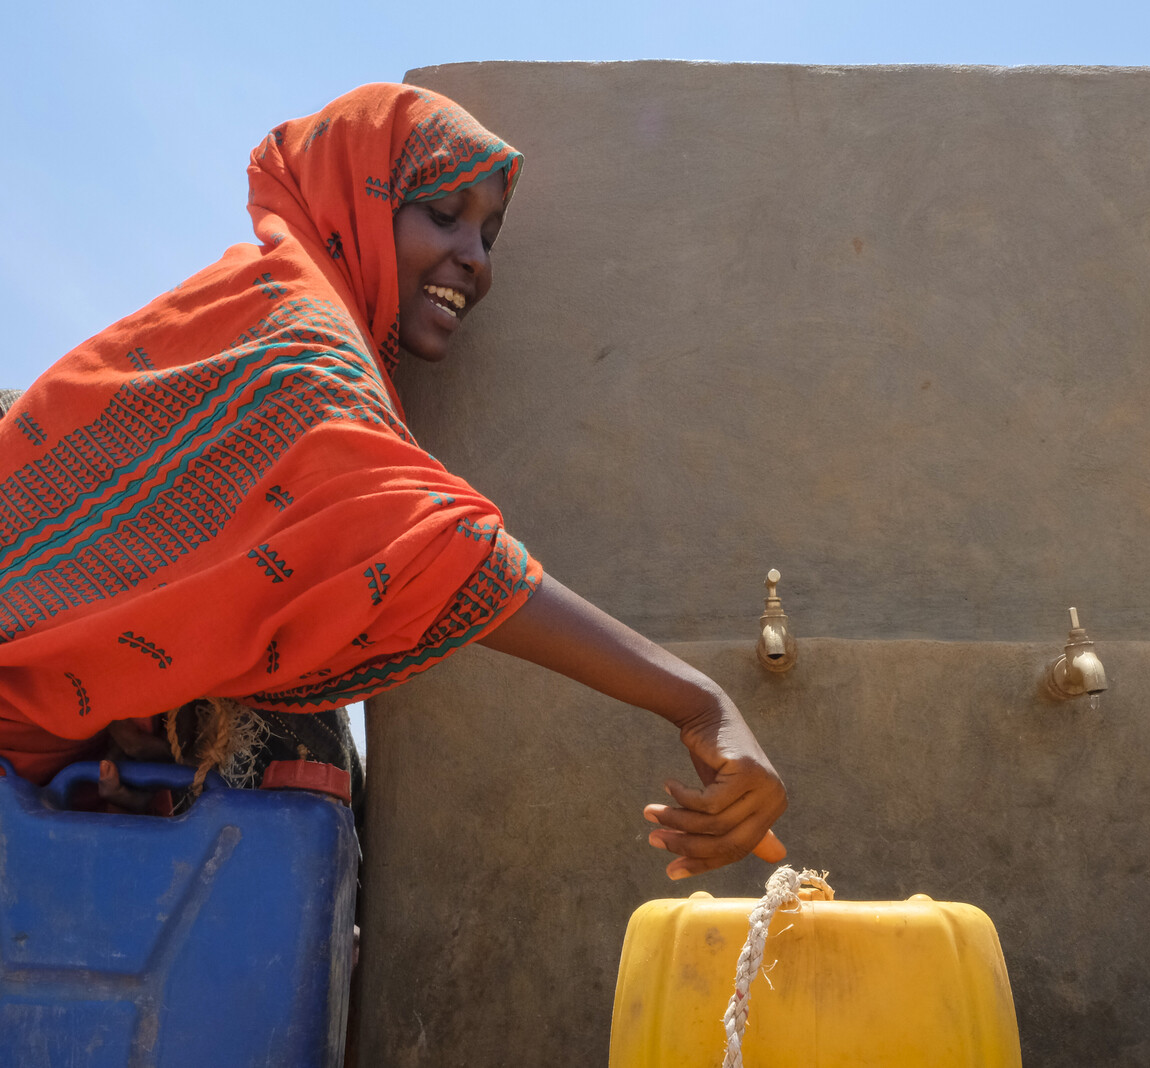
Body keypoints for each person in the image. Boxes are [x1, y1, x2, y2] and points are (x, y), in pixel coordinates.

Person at [0, 83, 785, 880]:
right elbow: (424, 542)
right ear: (357, 202)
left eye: (489, 234)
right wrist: (698, 702)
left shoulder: (267, 316)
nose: (475, 259)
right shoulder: (298, 344)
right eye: (444, 215)